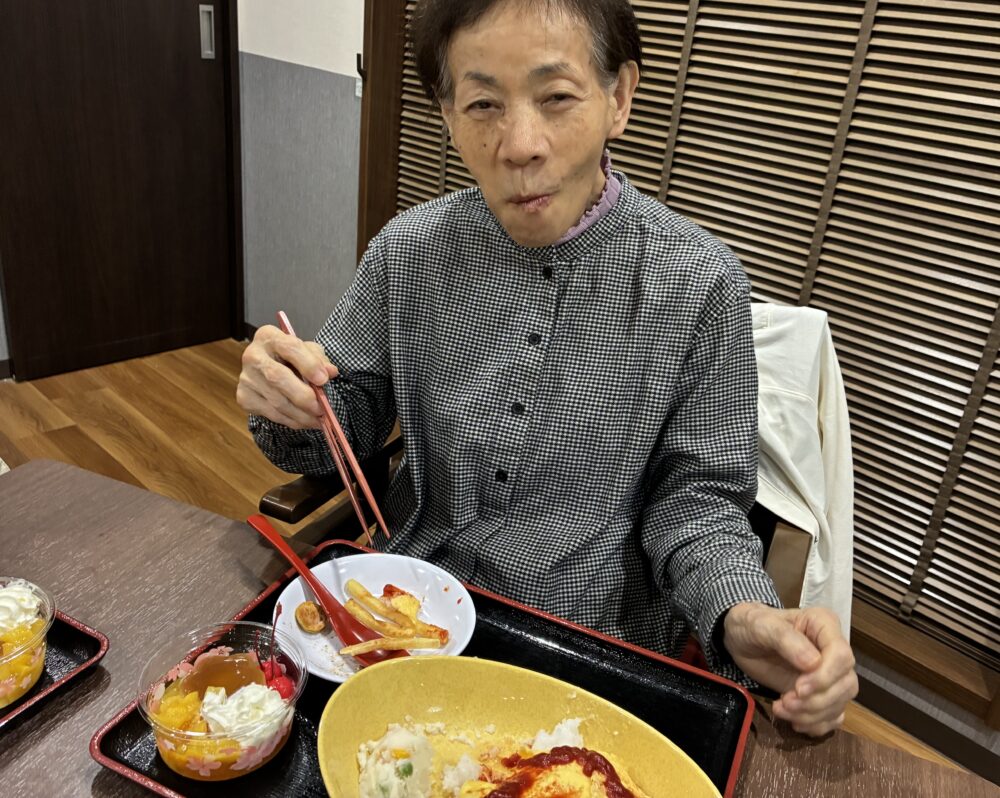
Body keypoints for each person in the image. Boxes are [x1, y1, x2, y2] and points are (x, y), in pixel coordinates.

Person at [237, 0, 857, 736]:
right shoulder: (407, 252)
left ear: (618, 98)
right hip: (402, 619)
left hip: (589, 652)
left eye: (556, 97)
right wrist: (291, 402)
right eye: (483, 105)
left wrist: (741, 613)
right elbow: (345, 419)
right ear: (447, 113)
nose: (520, 144)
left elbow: (697, 504)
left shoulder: (701, 285)